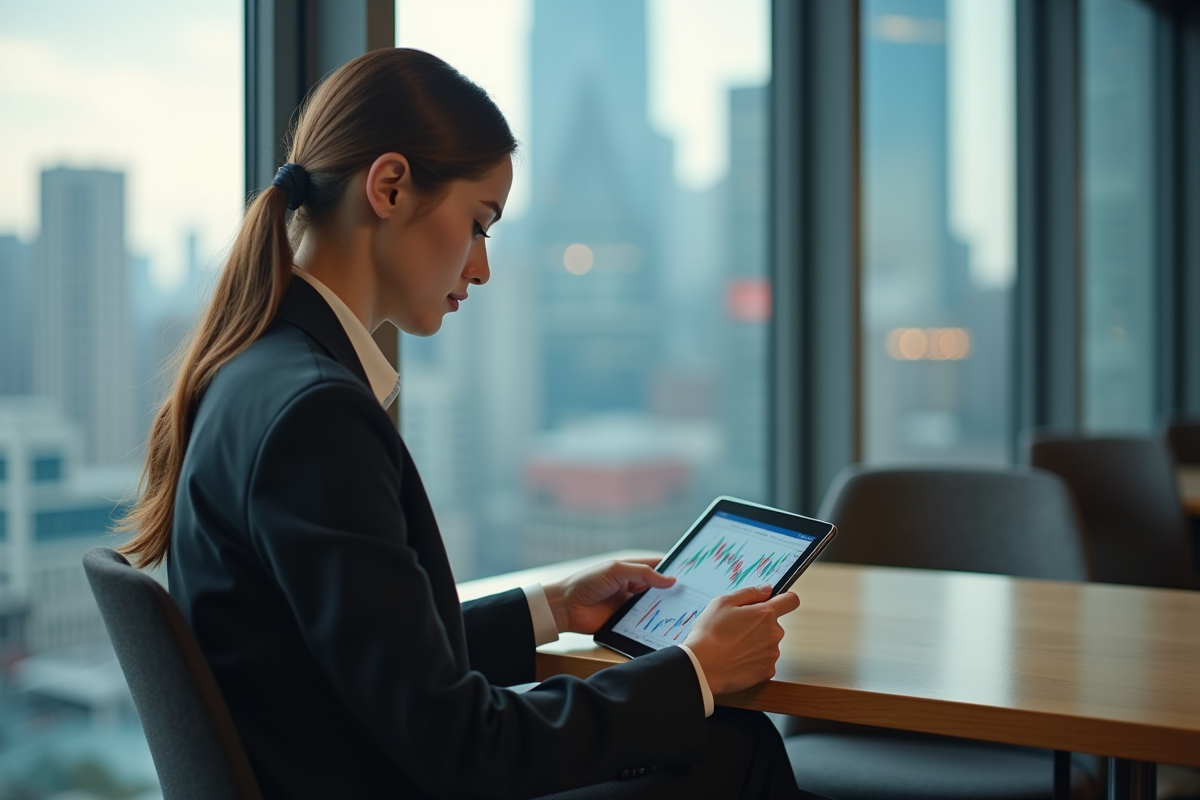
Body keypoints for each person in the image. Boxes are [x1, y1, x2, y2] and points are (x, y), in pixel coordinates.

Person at [119, 48, 818, 800]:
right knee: (731, 747)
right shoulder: (316, 413)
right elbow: (464, 750)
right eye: (479, 224)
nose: (481, 266)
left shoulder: (251, 372)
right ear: (388, 187)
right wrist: (694, 672)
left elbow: (367, 658)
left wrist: (551, 609)